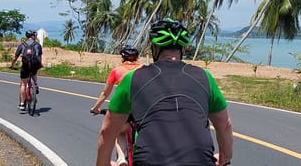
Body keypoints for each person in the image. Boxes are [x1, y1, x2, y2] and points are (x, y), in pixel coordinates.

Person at [96, 19, 233, 166]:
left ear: (154, 48)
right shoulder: (205, 77)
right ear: (183, 49)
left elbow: (107, 131)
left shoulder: (133, 79)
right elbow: (225, 125)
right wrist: (224, 158)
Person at [90, 44, 142, 166]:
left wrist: (95, 108)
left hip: (126, 111)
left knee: (119, 132)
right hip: (143, 110)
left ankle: (121, 158)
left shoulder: (116, 71)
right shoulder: (145, 69)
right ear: (137, 57)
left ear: (122, 57)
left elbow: (105, 93)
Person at [10, 30, 43, 111]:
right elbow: (39, 57)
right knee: (34, 72)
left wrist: (12, 65)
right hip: (34, 65)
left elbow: (15, 57)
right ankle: (35, 84)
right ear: (33, 36)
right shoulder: (37, 45)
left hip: (25, 66)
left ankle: (22, 104)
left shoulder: (22, 45)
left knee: (23, 84)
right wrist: (40, 64)